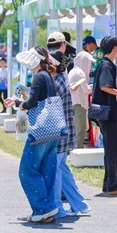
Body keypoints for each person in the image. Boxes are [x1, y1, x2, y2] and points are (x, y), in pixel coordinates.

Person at [4, 47, 59, 223]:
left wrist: (20, 104)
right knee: (46, 169)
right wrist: (20, 101)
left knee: (26, 170)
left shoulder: (38, 76)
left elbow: (33, 102)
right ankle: (48, 207)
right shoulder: (48, 76)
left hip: (40, 130)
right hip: (53, 129)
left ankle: (42, 208)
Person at [47, 47, 89, 218]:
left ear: (55, 65)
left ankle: (58, 208)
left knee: (56, 171)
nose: (46, 64)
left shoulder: (56, 81)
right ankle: (80, 204)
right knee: (62, 170)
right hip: (66, 131)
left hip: (60, 133)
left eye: (49, 61)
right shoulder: (62, 78)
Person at [91, 36, 117, 195]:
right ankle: (113, 184)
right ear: (115, 48)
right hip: (107, 113)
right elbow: (105, 86)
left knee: (112, 149)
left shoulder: (103, 64)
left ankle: (109, 183)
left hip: (104, 113)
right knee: (113, 150)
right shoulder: (107, 65)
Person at [69, 51, 94, 148]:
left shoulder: (74, 71)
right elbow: (86, 90)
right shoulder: (80, 73)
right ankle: (77, 149)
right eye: (89, 62)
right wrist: (96, 87)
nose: (90, 66)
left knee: (79, 128)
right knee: (81, 129)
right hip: (79, 104)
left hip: (76, 103)